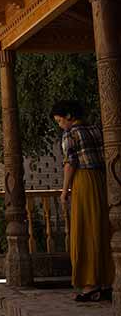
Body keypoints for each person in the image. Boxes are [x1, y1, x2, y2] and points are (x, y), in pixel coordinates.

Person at [50, 100, 114, 302]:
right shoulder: (96, 129)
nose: (60, 125)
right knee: (102, 229)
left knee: (85, 231)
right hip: (102, 181)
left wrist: (64, 190)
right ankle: (108, 281)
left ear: (69, 116)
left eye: (60, 121)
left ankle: (89, 285)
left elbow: (70, 163)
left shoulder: (70, 133)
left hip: (83, 181)